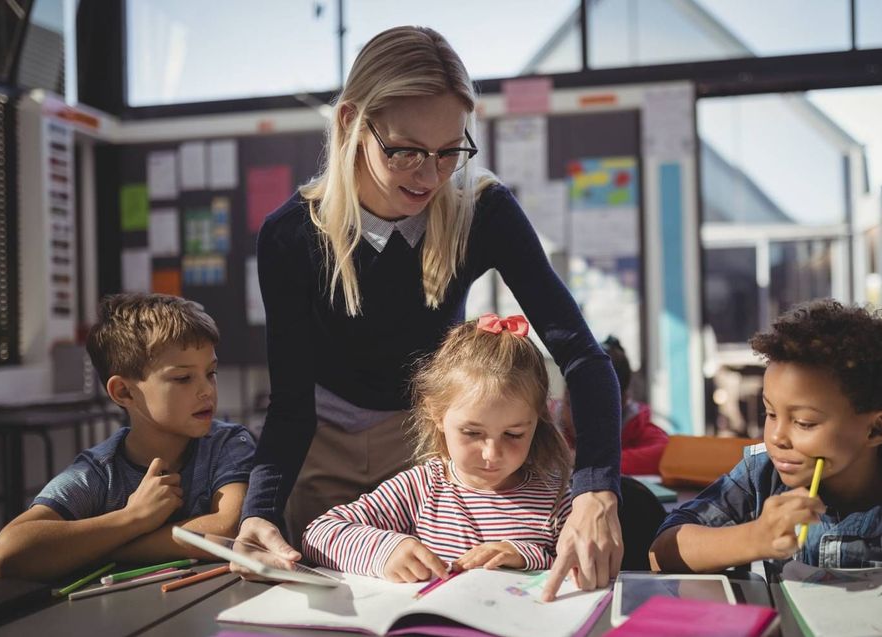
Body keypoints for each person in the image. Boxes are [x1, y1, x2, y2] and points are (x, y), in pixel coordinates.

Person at [240, 26, 623, 599]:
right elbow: (291, 405)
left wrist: (598, 487)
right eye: (405, 150)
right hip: (326, 445)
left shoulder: (482, 210)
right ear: (350, 122)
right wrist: (260, 510)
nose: (429, 174)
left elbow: (583, 357)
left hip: (435, 446)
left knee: (446, 599)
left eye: (450, 151)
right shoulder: (292, 235)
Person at [649, 299, 882, 574]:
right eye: (770, 414)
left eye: (804, 423)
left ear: (877, 428)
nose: (777, 436)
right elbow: (661, 553)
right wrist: (753, 538)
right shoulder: (759, 478)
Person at [0, 293, 255, 581]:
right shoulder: (100, 472)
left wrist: (108, 547)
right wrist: (132, 518)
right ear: (124, 392)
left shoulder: (229, 444)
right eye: (183, 378)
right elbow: (7, 555)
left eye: (210, 373)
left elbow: (227, 529)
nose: (207, 391)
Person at [300, 315, 572, 580]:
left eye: (514, 434)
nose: (492, 453)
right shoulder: (421, 486)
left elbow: (583, 568)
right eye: (472, 432)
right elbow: (318, 534)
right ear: (437, 414)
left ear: (538, 420)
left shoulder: (556, 495)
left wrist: (527, 556)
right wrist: (386, 550)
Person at [556, 336, 668, 475]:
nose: (577, 418)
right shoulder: (548, 422)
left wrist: (584, 460)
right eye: (569, 403)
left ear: (622, 402)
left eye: (593, 410)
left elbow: (663, 452)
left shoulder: (633, 424)